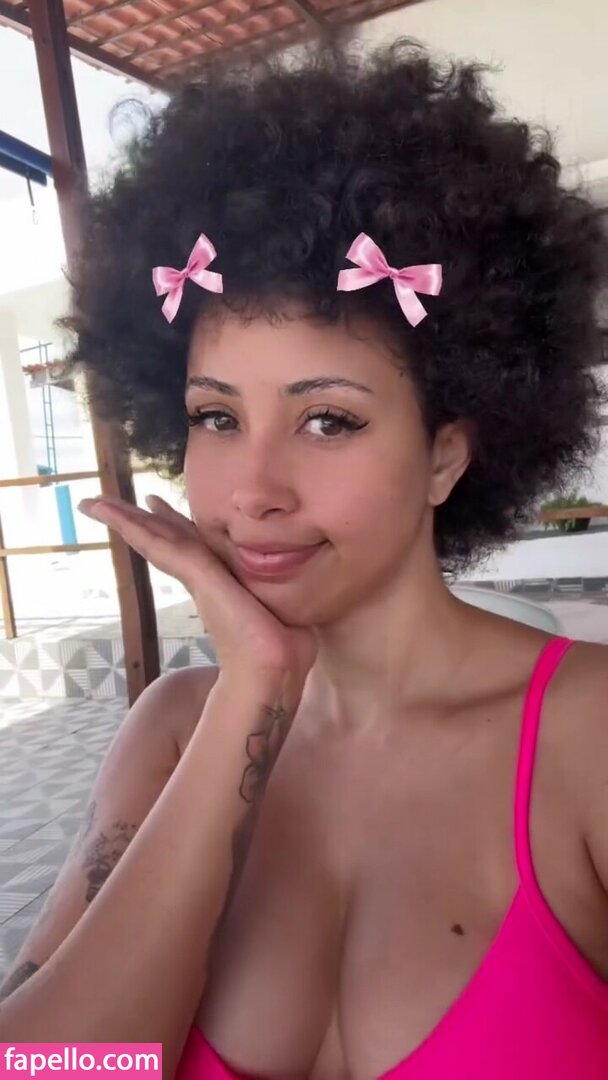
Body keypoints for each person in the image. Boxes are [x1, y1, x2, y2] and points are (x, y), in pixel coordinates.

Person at [1, 38, 608, 1079]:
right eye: (215, 416)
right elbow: (56, 1071)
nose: (253, 490)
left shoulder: (586, 735)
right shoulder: (174, 728)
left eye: (328, 420)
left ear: (444, 456)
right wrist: (251, 688)